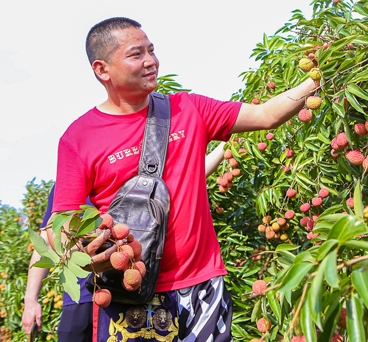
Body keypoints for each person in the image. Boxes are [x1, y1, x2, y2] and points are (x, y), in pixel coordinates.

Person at [50, 17, 319, 341]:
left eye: (152, 50)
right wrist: (86, 250)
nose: (151, 61)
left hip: (203, 286)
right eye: (137, 55)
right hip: (132, 294)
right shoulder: (79, 138)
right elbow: (61, 222)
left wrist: (319, 77)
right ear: (102, 69)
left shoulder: (188, 109)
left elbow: (266, 115)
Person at [22, 141, 228, 340]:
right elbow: (46, 243)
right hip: (79, 299)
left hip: (123, 295)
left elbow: (184, 182)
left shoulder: (129, 178)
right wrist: (30, 300)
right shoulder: (65, 187)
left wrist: (226, 146)